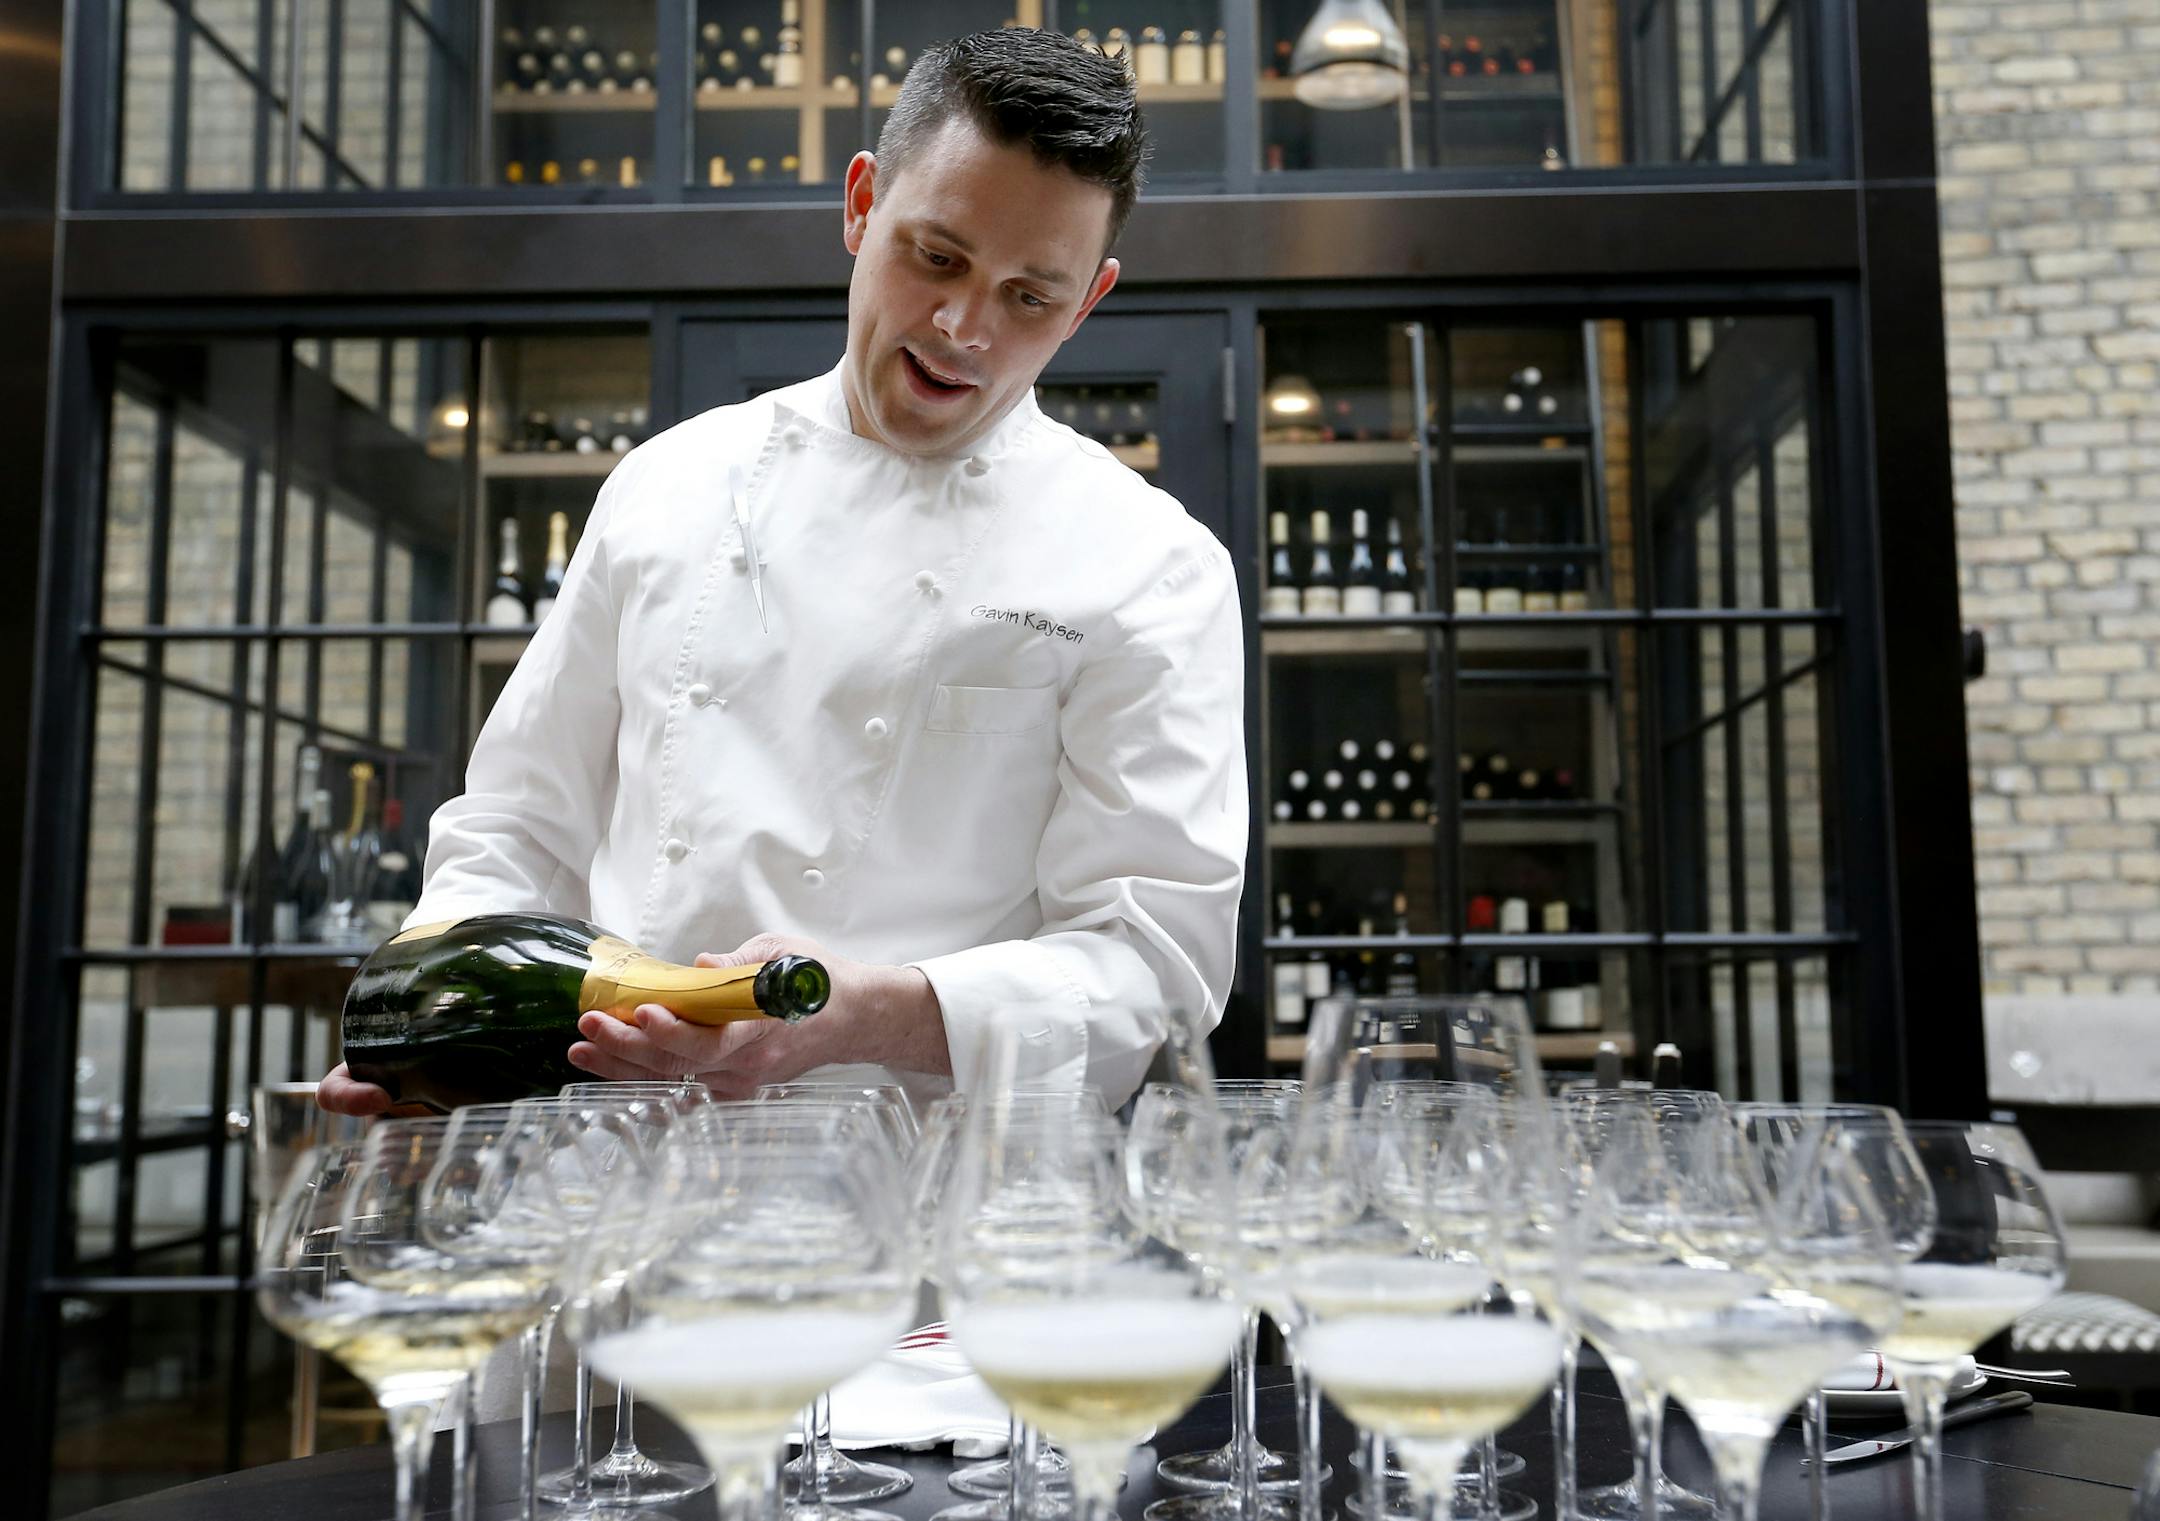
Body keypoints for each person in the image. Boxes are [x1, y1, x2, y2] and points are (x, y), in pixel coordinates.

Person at [318, 27, 1246, 1116]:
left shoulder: (1150, 565)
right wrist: (438, 1031)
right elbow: (520, 823)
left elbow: (1153, 963)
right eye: (935, 257)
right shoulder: (669, 483)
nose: (964, 329)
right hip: (617, 1175)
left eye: (1029, 297)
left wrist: (864, 1013)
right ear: (861, 204)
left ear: (1088, 300)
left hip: (926, 1222)